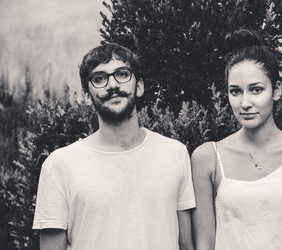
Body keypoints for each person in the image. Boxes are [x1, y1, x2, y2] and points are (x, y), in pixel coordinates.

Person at [32, 43, 196, 250]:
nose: (112, 85)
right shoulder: (59, 165)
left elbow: (186, 245)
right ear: (86, 95)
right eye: (99, 78)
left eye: (122, 74)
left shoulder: (175, 153)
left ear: (139, 86)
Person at [191, 29, 282, 250]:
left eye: (256, 90)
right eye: (235, 91)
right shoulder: (207, 158)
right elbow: (204, 244)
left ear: (276, 90)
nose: (245, 102)